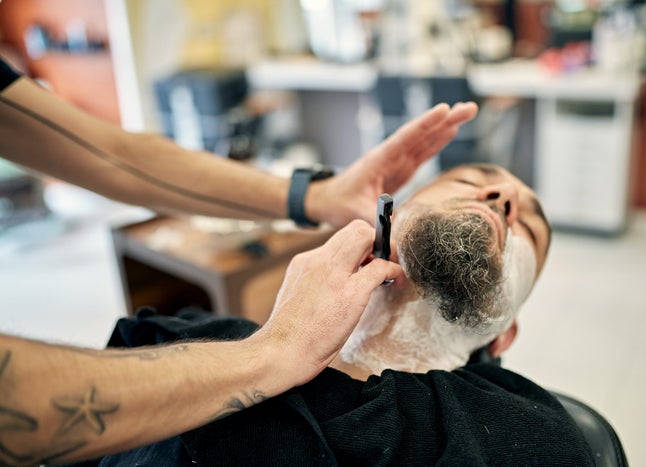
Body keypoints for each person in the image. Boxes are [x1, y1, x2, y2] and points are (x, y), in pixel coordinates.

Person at [0, 54, 479, 465]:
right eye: (464, 189)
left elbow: (112, 152)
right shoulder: (164, 333)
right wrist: (267, 354)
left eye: (522, 219)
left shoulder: (519, 422)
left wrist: (318, 196)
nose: (495, 197)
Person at [88, 164, 595, 466]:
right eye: (466, 179)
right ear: (379, 225)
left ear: (504, 336)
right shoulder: (174, 343)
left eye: (528, 227)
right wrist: (271, 349)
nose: (504, 196)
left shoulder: (530, 439)